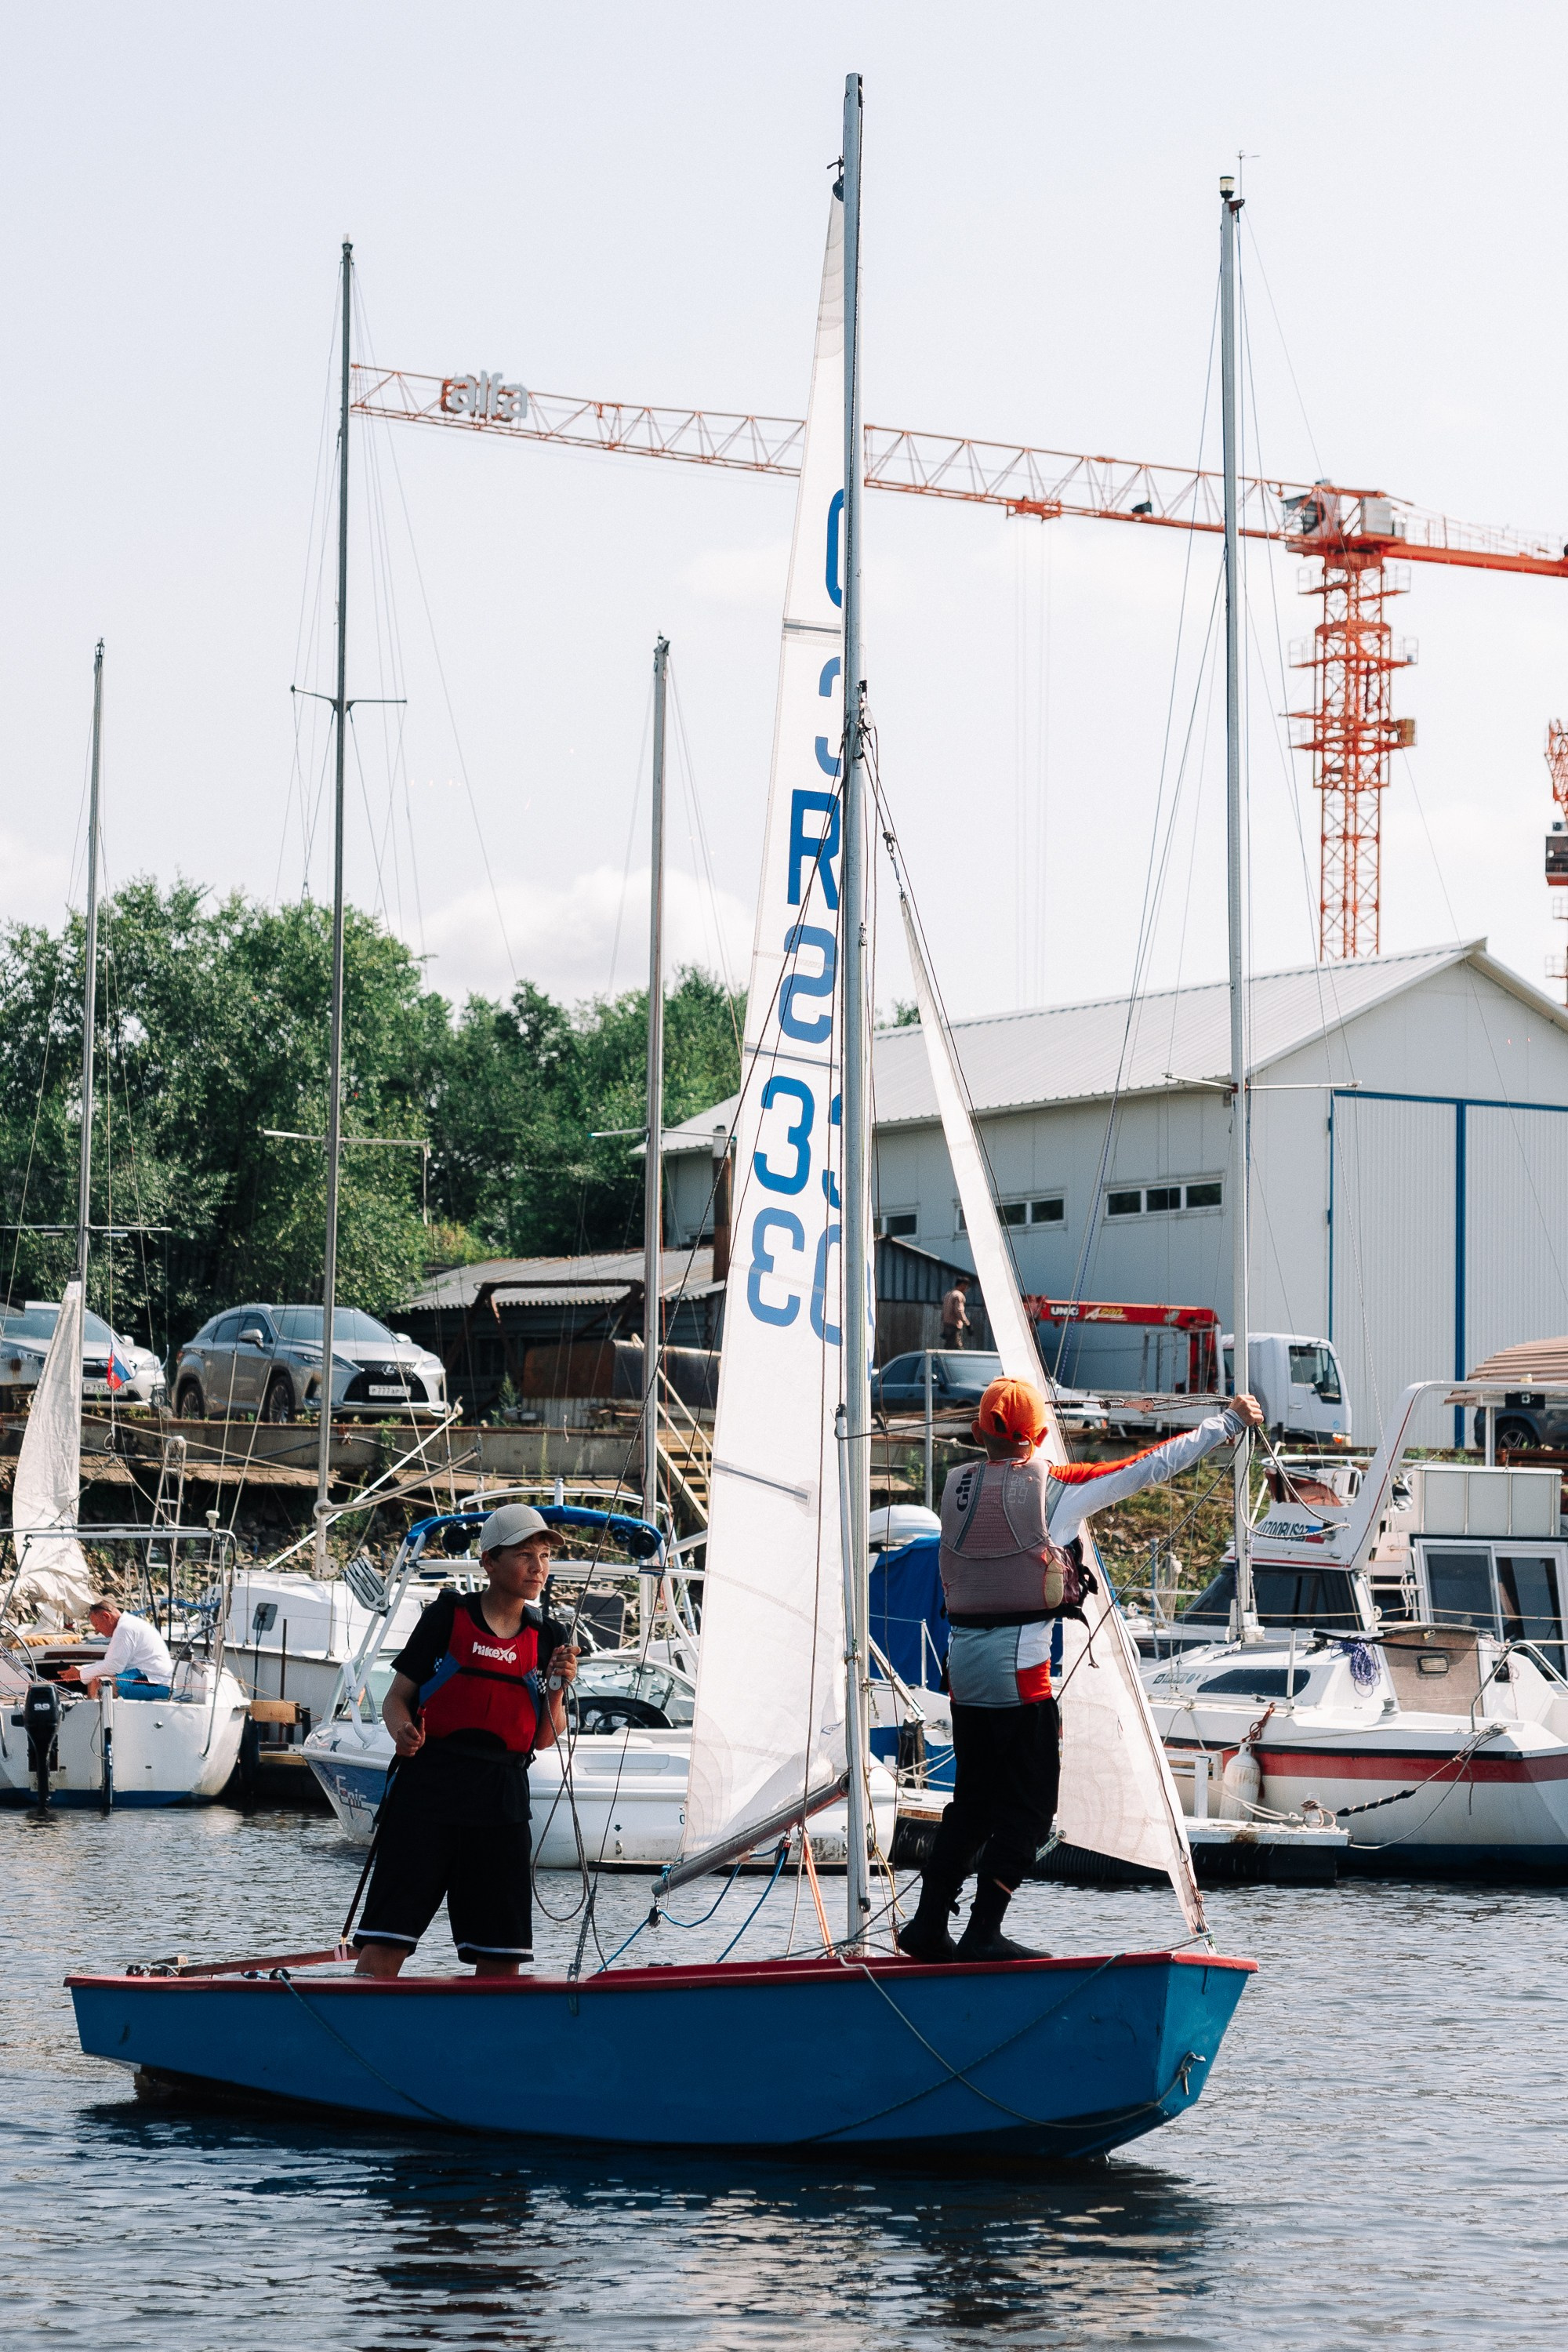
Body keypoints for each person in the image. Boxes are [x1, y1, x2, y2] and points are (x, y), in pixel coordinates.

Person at [897, 1375, 1264, 1964]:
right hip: (1019, 1676)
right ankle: (983, 1932)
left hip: (962, 1670)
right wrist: (1228, 1424)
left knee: (972, 1805)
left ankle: (926, 1924)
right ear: (1040, 1435)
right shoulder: (1055, 1489)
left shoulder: (955, 1488)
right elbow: (1149, 1466)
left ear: (978, 1432)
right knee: (1032, 1812)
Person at [353, 1503, 579, 1978]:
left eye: (543, 1555)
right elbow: (396, 1701)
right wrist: (403, 1734)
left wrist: (557, 1690)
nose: (537, 1566)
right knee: (386, 1940)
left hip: (502, 1799)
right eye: (524, 1554)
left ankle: (490, 2044)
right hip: (429, 1787)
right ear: (489, 1562)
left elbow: (541, 1738)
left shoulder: (548, 1637)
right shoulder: (446, 1618)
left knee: (501, 1956)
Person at [59, 1596, 173, 1700]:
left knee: (99, 1683)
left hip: (157, 1684)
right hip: (146, 1677)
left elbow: (113, 1667)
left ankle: (95, 1721)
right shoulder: (126, 1625)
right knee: (96, 1680)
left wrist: (80, 1674)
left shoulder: (124, 1629)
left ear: (106, 1616)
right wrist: (82, 1669)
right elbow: (111, 1663)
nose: (96, 1631)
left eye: (97, 1625)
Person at [940, 1274, 971, 1349]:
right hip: (954, 1325)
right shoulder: (958, 1295)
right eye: (966, 1286)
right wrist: (968, 1324)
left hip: (947, 1325)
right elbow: (959, 1311)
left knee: (949, 1347)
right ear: (962, 1285)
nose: (966, 1289)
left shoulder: (948, 1294)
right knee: (957, 1348)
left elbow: (944, 1311)